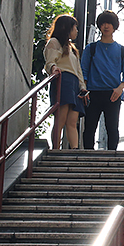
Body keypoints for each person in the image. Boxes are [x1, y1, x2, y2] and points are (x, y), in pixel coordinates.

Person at [80, 10, 124, 150]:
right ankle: (88, 156)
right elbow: (83, 70)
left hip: (113, 93)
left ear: (115, 26)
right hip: (93, 92)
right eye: (103, 23)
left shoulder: (122, 50)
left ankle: (112, 157)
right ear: (99, 26)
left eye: (109, 23)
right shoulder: (91, 48)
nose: (106, 26)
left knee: (112, 128)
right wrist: (84, 89)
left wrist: (120, 88)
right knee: (89, 127)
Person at [43, 14, 88, 150]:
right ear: (66, 28)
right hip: (63, 80)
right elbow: (50, 61)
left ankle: (74, 149)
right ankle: (55, 149)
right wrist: (53, 68)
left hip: (74, 84)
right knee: (61, 119)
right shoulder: (55, 42)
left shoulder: (72, 49)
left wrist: (83, 87)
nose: (76, 31)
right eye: (74, 28)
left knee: (72, 121)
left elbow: (78, 71)